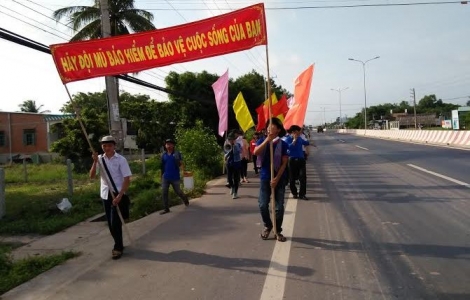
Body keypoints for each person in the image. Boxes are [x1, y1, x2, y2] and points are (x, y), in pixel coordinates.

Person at [89, 135, 132, 260]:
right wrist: (95, 161)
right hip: (105, 194)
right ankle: (119, 243)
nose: (106, 148)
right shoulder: (99, 159)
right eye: (104, 145)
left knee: (115, 223)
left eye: (109, 145)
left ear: (114, 146)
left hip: (117, 193)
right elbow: (92, 176)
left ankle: (117, 248)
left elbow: (127, 179)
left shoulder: (121, 160)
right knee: (110, 223)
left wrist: (120, 195)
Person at [254, 117, 289, 242]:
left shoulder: (283, 144)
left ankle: (277, 230)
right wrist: (266, 141)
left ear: (278, 130)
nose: (270, 129)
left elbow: (284, 163)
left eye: (273, 127)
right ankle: (268, 225)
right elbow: (256, 152)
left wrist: (276, 178)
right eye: (268, 127)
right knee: (263, 204)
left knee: (279, 206)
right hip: (265, 177)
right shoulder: (262, 141)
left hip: (279, 178)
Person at [160, 139, 189, 214]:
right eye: (167, 144)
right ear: (165, 146)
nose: (168, 146)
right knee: (164, 192)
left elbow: (181, 163)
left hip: (175, 177)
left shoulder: (176, 154)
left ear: (173, 145)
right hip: (165, 177)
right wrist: (161, 176)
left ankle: (185, 199)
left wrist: (183, 171)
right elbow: (162, 166)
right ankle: (166, 209)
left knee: (178, 191)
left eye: (170, 144)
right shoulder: (163, 155)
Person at [286, 125, 310, 200]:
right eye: (298, 131)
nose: (300, 133)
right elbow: (289, 148)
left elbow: (305, 143)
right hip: (292, 160)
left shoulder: (300, 138)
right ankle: (294, 193)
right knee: (292, 179)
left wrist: (309, 142)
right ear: (293, 132)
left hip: (301, 160)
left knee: (303, 177)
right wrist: (294, 140)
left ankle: (302, 194)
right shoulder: (288, 139)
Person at [224, 133, 242, 199]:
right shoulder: (227, 144)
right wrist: (226, 156)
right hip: (229, 163)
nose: (230, 140)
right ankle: (232, 187)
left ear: (234, 139)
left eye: (231, 139)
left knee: (236, 178)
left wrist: (234, 145)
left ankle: (235, 192)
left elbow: (238, 151)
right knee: (229, 178)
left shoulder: (238, 145)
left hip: (236, 163)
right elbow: (225, 151)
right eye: (229, 139)